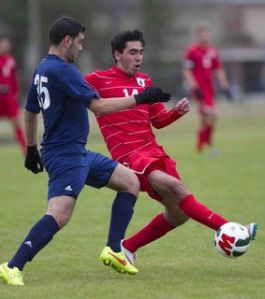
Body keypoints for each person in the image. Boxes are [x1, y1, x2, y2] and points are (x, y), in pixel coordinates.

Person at [0, 16, 171, 286]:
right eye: (79, 43)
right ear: (67, 41)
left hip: (77, 152)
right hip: (65, 155)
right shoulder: (63, 71)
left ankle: (114, 249)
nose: (80, 48)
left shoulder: (43, 67)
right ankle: (12, 265)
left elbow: (30, 111)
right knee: (60, 214)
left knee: (129, 181)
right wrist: (139, 98)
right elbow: (98, 107)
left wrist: (31, 148)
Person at [85, 29, 257, 267]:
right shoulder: (97, 80)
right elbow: (72, 92)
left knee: (179, 213)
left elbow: (158, 121)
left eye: (141, 53)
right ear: (117, 54)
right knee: (177, 188)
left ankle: (128, 247)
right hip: (129, 158)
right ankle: (231, 228)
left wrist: (176, 113)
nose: (138, 58)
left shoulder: (145, 81)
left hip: (153, 151)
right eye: (132, 52)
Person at [183, 21, 232, 153]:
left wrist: (225, 85)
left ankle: (201, 146)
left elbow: (218, 68)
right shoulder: (192, 51)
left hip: (209, 88)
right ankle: (208, 146)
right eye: (202, 35)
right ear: (198, 36)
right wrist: (193, 85)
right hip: (199, 89)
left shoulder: (212, 50)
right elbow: (187, 70)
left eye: (207, 34)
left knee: (207, 119)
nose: (205, 37)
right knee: (212, 114)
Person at [0, 36, 26, 159]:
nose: (5, 47)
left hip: (9, 100)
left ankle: (26, 151)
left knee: (17, 124)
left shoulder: (11, 60)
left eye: (7, 45)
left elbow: (13, 79)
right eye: (3, 45)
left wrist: (16, 93)